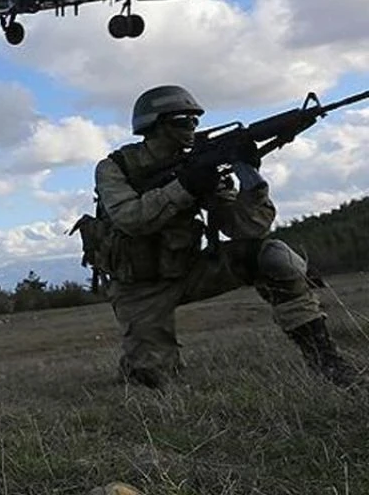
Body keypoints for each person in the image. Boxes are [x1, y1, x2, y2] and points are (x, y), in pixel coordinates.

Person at [94, 84, 358, 390]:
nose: (191, 129)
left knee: (275, 256)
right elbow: (130, 219)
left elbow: (246, 229)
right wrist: (186, 187)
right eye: (182, 120)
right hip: (139, 288)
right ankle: (139, 368)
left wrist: (251, 181)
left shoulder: (199, 166)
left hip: (189, 270)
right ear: (154, 126)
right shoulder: (116, 167)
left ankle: (328, 363)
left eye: (195, 121)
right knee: (151, 382)